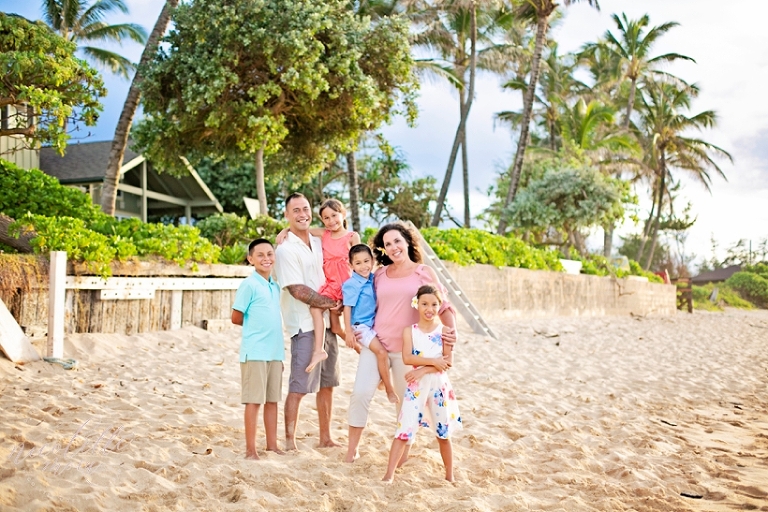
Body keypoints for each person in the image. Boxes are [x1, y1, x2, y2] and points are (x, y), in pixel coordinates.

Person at [344, 222, 457, 463]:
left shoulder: (423, 272)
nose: (393, 247)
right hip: (377, 346)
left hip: (409, 352)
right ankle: (351, 450)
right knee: (360, 394)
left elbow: (444, 306)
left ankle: (403, 455)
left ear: (407, 241)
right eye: (387, 244)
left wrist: (452, 331)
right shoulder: (379, 275)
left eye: (397, 241)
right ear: (383, 249)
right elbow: (358, 299)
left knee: (406, 405)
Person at [274, 193, 342, 451]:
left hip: (326, 322)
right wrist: (328, 302)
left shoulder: (318, 241)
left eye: (305, 209)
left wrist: (330, 307)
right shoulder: (285, 249)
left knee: (328, 384)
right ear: (287, 215)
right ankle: (290, 442)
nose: (302, 214)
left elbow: (336, 230)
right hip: (303, 325)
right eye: (296, 211)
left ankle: (325, 438)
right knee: (300, 386)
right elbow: (296, 289)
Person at [382, 285, 461, 482]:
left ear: (439, 305)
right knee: (403, 428)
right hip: (416, 387)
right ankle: (388, 475)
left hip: (438, 386)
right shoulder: (410, 331)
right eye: (424, 304)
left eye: (434, 304)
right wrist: (434, 361)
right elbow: (407, 358)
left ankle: (449, 475)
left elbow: (448, 361)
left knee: (443, 433)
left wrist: (426, 369)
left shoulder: (445, 331)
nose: (429, 309)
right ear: (417, 304)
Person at [278, 199, 360, 373]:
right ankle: (324, 350)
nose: (331, 221)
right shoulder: (325, 234)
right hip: (331, 285)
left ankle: (361, 351)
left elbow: (361, 260)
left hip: (345, 285)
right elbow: (301, 229)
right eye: (326, 218)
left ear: (343, 214)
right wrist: (285, 230)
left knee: (353, 324)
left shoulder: (352, 237)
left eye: (334, 216)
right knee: (331, 323)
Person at [231, 238, 285, 460]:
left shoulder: (275, 286)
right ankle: (250, 449)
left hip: (275, 352)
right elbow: (236, 317)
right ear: (250, 259)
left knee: (272, 401)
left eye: (270, 254)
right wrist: (256, 326)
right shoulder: (249, 284)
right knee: (254, 400)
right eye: (260, 255)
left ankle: (272, 445)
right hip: (254, 352)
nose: (266, 258)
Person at [342, 244, 399, 404]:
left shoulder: (375, 278)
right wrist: (348, 332)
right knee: (381, 353)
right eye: (358, 263)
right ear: (351, 265)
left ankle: (382, 379)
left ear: (372, 261)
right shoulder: (351, 285)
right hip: (360, 326)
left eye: (366, 261)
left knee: (389, 347)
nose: (363, 266)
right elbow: (347, 308)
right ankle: (389, 389)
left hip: (374, 323)